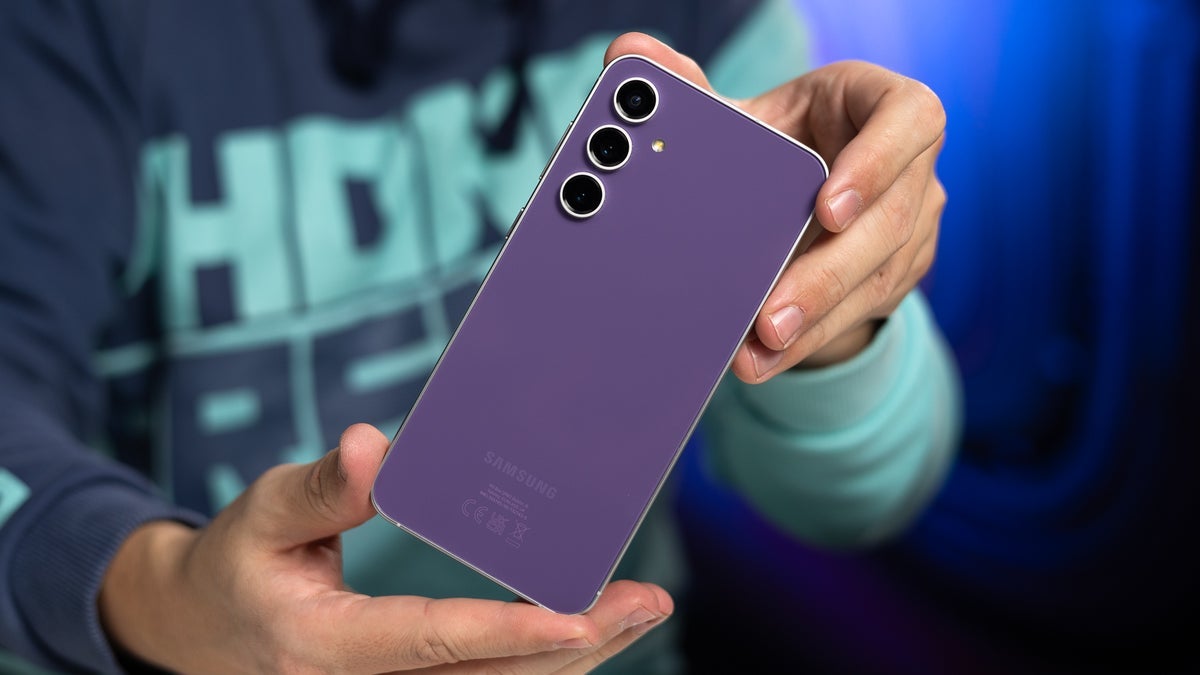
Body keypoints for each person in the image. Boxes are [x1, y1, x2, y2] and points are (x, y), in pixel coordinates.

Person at [0, 1, 957, 672]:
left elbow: (859, 504)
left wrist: (827, 317)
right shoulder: (69, 29)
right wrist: (153, 589)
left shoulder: (703, 18)